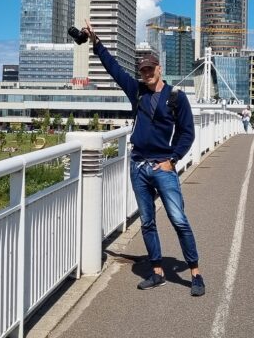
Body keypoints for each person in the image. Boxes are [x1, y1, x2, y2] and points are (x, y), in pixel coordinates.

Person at [84, 21, 205, 297]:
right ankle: (157, 271)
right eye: (143, 71)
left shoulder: (176, 97)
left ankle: (195, 272)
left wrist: (172, 159)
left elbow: (187, 133)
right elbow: (114, 70)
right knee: (147, 222)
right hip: (138, 165)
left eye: (151, 69)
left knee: (178, 219)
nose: (147, 74)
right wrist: (97, 43)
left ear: (159, 69)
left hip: (163, 167)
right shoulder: (137, 91)